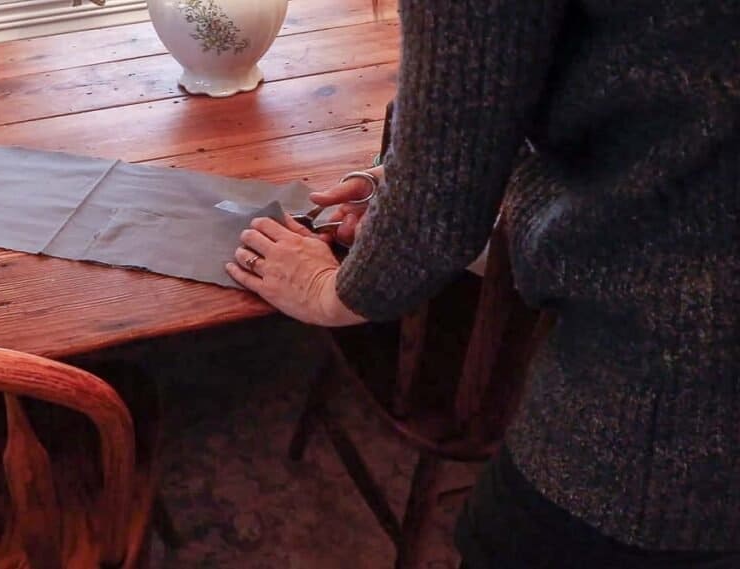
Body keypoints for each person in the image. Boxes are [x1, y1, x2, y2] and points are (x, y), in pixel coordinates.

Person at [226, 1, 739, 567]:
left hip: (670, 411)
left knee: (505, 542)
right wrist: (413, 177)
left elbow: (433, 219)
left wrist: (328, 290)